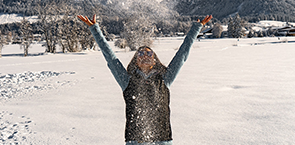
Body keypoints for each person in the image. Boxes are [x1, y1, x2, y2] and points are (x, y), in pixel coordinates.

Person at [77, 14, 212, 145]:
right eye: (140, 53)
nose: (145, 55)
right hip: (136, 141)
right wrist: (95, 29)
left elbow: (182, 54)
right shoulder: (127, 81)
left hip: (163, 140)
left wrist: (196, 28)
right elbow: (111, 58)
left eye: (149, 53)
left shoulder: (165, 79)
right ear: (136, 61)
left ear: (154, 61)